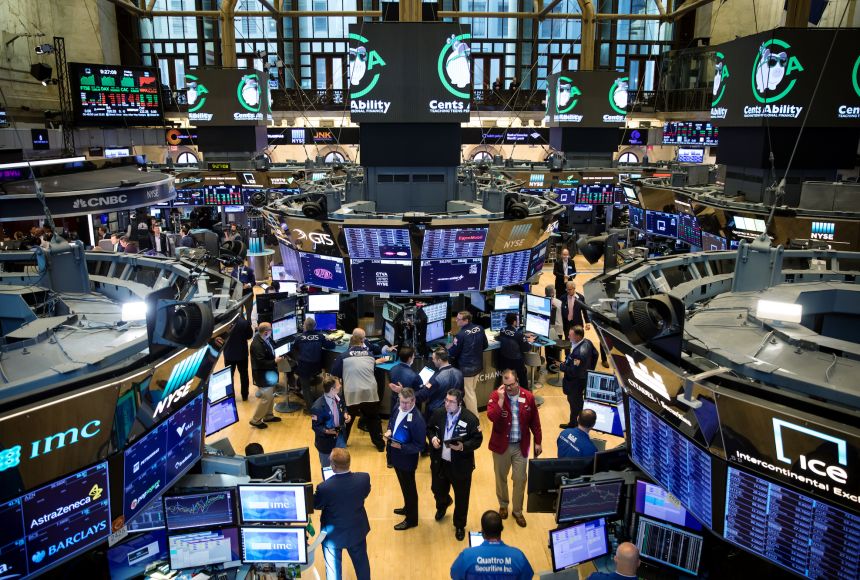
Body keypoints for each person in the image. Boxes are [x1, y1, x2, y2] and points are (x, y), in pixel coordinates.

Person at [487, 369, 542, 528]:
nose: (508, 388)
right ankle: (503, 505)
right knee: (501, 478)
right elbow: (492, 417)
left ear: (517, 381)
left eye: (511, 384)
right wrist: (501, 400)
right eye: (505, 385)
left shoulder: (528, 397)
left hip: (520, 446)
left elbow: (535, 421)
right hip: (501, 446)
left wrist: (538, 441)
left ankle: (517, 511)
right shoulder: (496, 396)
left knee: (520, 479)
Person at [429, 389, 483, 541]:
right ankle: (443, 504)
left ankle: (459, 525)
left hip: (461, 466)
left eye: (451, 401)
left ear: (459, 403)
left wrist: (463, 446)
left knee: (462, 497)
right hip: (440, 462)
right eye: (446, 400)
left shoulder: (470, 419)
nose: (447, 404)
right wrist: (432, 438)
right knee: (437, 489)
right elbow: (430, 428)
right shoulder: (439, 413)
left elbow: (477, 439)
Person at [314, 448, 372, 580]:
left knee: (333, 572)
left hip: (333, 535)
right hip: (356, 530)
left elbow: (317, 504)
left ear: (333, 466)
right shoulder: (363, 478)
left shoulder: (324, 487)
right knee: (362, 564)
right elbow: (365, 492)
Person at [331, 329, 385, 452]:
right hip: (370, 392)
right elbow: (371, 368)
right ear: (361, 343)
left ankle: (341, 444)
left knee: (347, 419)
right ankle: (380, 445)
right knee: (373, 418)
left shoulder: (343, 357)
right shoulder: (370, 355)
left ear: (350, 344)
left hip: (351, 393)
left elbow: (334, 374)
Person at [450, 510, 533, 580]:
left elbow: (454, 575)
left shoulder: (467, 556)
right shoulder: (518, 557)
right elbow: (527, 576)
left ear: (482, 532)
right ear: (501, 529)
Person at [385, 387, 426, 530]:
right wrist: (389, 430)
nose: (404, 405)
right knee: (404, 486)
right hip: (396, 457)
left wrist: (401, 447)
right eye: (402, 402)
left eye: (407, 403)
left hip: (407, 461)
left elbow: (420, 445)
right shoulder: (398, 407)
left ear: (413, 400)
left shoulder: (417, 420)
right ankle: (407, 507)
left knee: (410, 490)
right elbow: (392, 421)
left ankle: (412, 519)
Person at [448, 311, 488, 416]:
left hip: (466, 370)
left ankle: (474, 418)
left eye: (459, 319)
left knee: (469, 395)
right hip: (478, 367)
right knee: (472, 391)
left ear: (466, 320)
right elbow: (485, 345)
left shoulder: (460, 335)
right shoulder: (480, 328)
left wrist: (449, 347)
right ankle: (467, 414)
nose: (456, 321)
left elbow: (453, 352)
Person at [294, 317, 336, 414]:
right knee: (302, 378)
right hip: (316, 368)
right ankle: (298, 387)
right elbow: (331, 345)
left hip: (304, 368)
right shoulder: (320, 336)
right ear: (315, 326)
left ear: (304, 326)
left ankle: (310, 410)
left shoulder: (299, 338)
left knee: (305, 388)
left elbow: (294, 349)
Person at [416, 348, 463, 428]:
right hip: (454, 411)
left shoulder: (436, 378)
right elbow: (461, 393)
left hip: (435, 412)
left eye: (434, 359)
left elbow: (423, 395)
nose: (432, 361)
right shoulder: (459, 373)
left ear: (439, 360)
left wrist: (408, 394)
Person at [559, 325, 595, 429]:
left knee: (574, 404)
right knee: (577, 403)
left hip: (575, 383)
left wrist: (562, 366)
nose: (568, 337)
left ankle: (574, 425)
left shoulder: (579, 354)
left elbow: (573, 371)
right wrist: (589, 370)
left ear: (578, 336)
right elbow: (595, 354)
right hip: (582, 378)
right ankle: (576, 423)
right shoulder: (587, 342)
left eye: (570, 335)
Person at [248, 322, 283, 429]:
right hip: (262, 375)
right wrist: (275, 361)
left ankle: (268, 416)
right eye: (271, 330)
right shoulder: (256, 345)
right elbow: (260, 363)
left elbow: (272, 348)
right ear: (266, 332)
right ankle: (256, 420)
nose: (272, 331)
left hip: (269, 373)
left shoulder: (266, 338)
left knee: (271, 395)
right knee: (266, 398)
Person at [311, 376, 352, 468]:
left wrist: (346, 414)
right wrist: (327, 431)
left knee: (342, 464)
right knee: (327, 468)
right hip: (326, 443)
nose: (340, 386)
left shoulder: (338, 396)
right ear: (332, 389)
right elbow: (315, 427)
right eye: (338, 385)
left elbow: (343, 407)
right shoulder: (317, 407)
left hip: (340, 437)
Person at [494, 313, 533, 390]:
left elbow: (502, 337)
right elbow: (526, 349)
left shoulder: (502, 331)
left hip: (505, 361)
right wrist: (529, 341)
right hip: (517, 362)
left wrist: (524, 337)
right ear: (514, 322)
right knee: (523, 376)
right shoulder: (519, 335)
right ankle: (525, 392)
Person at [222, 308, 253, 401]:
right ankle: (245, 395)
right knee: (244, 375)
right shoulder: (244, 323)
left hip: (229, 354)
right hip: (242, 354)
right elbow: (249, 336)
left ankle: (230, 397)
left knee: (229, 377)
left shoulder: (224, 324)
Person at [388, 346, 422, 415]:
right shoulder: (414, 376)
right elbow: (419, 394)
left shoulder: (392, 369)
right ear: (409, 358)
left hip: (395, 404)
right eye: (413, 356)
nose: (414, 357)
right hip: (408, 408)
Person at [544, 285, 564, 372]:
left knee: (548, 348)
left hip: (546, 329)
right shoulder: (559, 303)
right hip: (557, 329)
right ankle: (555, 367)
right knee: (556, 349)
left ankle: (549, 365)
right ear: (553, 293)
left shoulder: (542, 301)